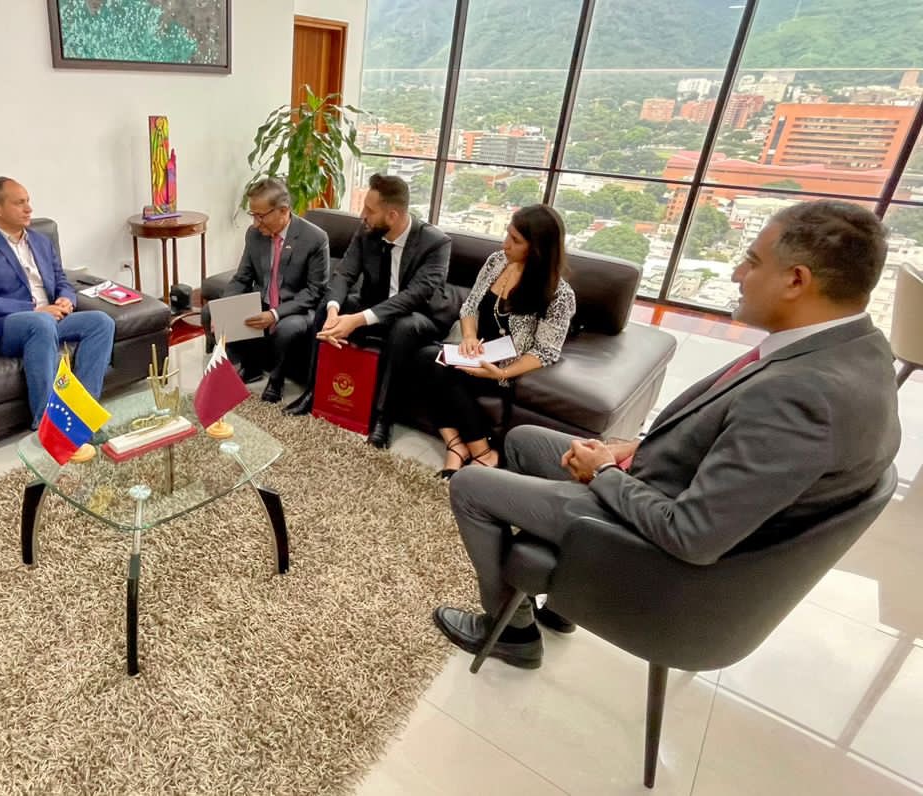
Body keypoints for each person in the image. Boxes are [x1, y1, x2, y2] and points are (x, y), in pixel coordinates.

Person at [434, 200, 901, 669]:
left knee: (472, 486)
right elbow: (728, 445)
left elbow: (692, 534)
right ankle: (557, 599)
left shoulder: (802, 397)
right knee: (523, 441)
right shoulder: (855, 350)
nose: (737, 274)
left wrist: (604, 473)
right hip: (657, 482)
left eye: (752, 261)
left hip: (643, 538)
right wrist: (630, 448)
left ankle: (512, 632)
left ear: (796, 280)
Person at [284, 173, 456, 448]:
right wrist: (334, 311)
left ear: (392, 215)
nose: (362, 215)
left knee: (403, 326)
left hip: (420, 315)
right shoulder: (366, 232)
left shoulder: (436, 243)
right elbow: (344, 274)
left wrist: (356, 320)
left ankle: (384, 418)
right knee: (326, 308)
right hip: (374, 305)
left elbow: (414, 296)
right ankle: (314, 392)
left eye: (369, 210)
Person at [418, 205, 576, 478]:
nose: (505, 245)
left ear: (537, 248)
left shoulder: (559, 295)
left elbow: (545, 351)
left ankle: (479, 452)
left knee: (445, 372)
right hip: (476, 352)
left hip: (505, 367)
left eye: (515, 240)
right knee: (424, 357)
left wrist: (501, 373)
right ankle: (461, 447)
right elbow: (470, 306)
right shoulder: (496, 262)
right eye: (507, 234)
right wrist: (469, 337)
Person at [0, 177, 115, 435]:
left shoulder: (40, 241)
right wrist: (35, 310)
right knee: (40, 324)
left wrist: (66, 298)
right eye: (19, 203)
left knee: (101, 322)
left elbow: (62, 280)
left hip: (49, 317)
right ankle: (49, 425)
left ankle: (82, 415)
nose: (29, 208)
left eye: (28, 201)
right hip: (2, 326)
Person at [201, 177, 330, 403]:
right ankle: (250, 367)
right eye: (253, 215)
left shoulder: (314, 238)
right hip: (263, 300)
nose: (255, 223)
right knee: (210, 311)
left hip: (297, 307)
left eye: (260, 216)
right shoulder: (254, 235)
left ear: (283, 211)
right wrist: (223, 309)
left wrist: (275, 314)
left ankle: (276, 380)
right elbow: (242, 278)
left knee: (286, 329)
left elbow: (314, 291)